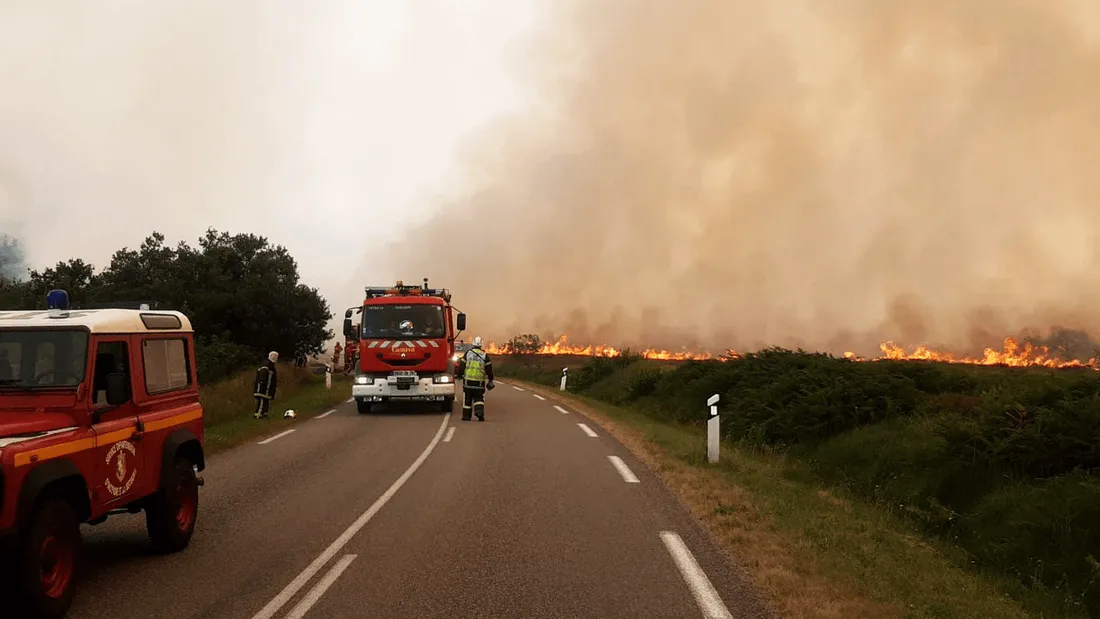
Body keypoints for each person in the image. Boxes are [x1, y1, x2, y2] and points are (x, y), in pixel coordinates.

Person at [456, 336, 494, 421]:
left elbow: (462, 366)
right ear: (481, 345)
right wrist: (491, 379)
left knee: (467, 400)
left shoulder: (468, 353)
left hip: (468, 382)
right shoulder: (484, 355)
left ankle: (466, 416)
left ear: (473, 344)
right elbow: (489, 369)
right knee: (479, 398)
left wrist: (459, 375)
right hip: (479, 383)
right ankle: (479, 412)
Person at [253, 351, 279, 419]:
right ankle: (258, 416)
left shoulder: (271, 367)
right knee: (261, 403)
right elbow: (262, 378)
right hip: (263, 390)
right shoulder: (266, 366)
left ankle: (264, 415)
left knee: (265, 403)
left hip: (267, 391)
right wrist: (261, 385)